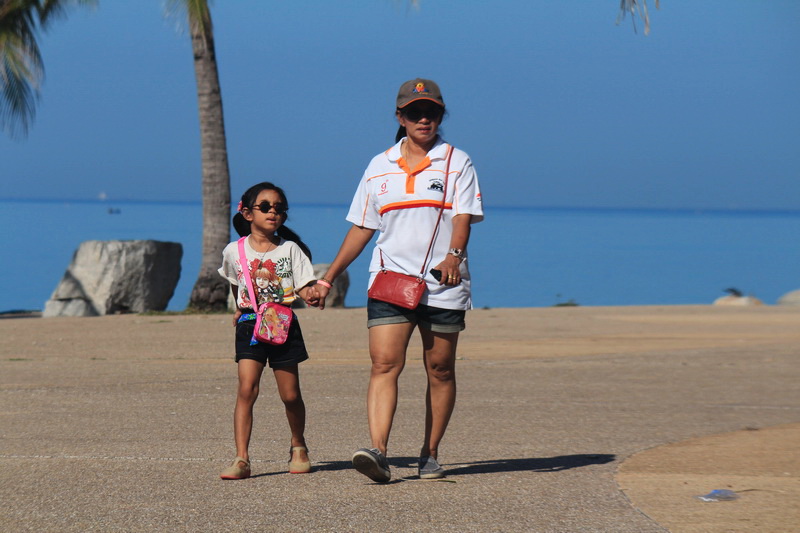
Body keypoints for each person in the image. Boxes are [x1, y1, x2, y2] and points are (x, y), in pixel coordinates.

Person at [315, 78, 484, 482]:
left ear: (441, 115)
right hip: (390, 280)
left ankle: (430, 454)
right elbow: (362, 227)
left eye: (432, 112)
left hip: (443, 283)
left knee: (440, 369)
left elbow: (463, 218)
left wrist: (454, 256)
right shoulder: (379, 166)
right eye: (415, 112)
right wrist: (328, 278)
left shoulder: (456, 161)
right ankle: (379, 451)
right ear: (400, 117)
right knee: (384, 364)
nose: (424, 119)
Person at [217, 182, 321, 479]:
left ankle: (298, 446)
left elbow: (303, 286)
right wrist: (240, 306)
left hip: (282, 324)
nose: (272, 212)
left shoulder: (291, 249)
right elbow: (236, 281)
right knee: (246, 389)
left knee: (290, 395)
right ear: (247, 213)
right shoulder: (233, 250)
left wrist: (312, 294)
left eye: (279, 208)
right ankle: (241, 458)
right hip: (249, 325)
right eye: (265, 207)